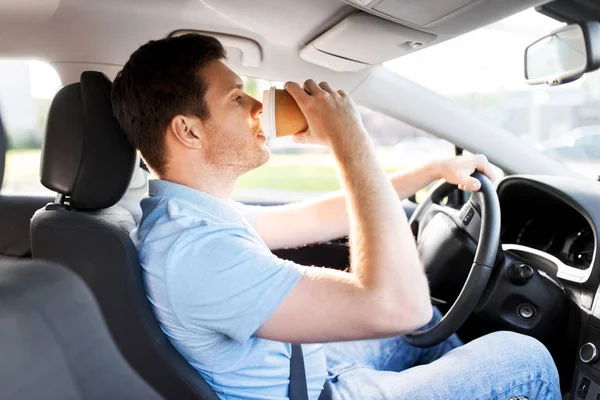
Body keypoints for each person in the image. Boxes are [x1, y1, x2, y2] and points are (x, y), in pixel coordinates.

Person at [111, 34, 561, 400]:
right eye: (235, 98)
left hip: (307, 366)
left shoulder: (186, 214)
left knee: (430, 328)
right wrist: (350, 141)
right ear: (188, 130)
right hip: (312, 393)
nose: (256, 108)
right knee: (523, 357)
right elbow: (400, 306)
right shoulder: (197, 251)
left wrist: (430, 172)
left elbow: (310, 220)